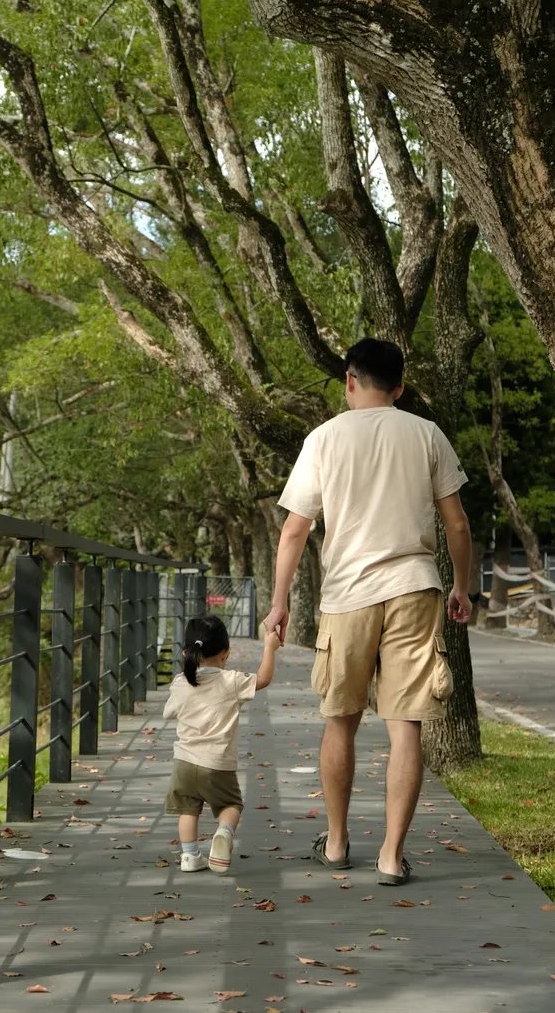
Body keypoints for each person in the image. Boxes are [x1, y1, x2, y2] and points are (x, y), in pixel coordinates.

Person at [264, 337, 472, 884]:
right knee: (406, 725)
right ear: (400, 387)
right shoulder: (426, 434)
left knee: (341, 721)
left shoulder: (323, 438)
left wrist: (279, 602)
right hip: (415, 587)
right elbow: (457, 523)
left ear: (349, 381)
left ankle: (335, 844)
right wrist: (462, 588)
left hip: (347, 596)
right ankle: (389, 855)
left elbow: (294, 529)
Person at [163, 614, 282, 874]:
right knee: (231, 805)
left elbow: (168, 713)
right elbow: (263, 679)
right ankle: (224, 834)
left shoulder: (180, 683)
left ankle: (190, 856)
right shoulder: (232, 681)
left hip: (183, 764)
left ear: (186, 652)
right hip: (218, 764)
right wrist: (269, 648)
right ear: (225, 653)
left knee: (188, 809)